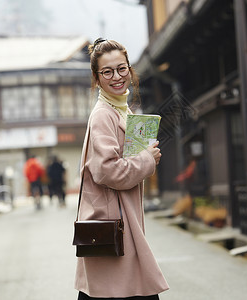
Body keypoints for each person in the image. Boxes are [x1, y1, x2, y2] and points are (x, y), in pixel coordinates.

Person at [74, 38, 169, 299]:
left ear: (130, 69)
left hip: (121, 219)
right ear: (97, 78)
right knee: (129, 290)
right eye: (107, 71)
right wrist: (147, 160)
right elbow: (107, 170)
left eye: (122, 68)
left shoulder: (121, 109)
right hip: (114, 222)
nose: (116, 77)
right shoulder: (104, 114)